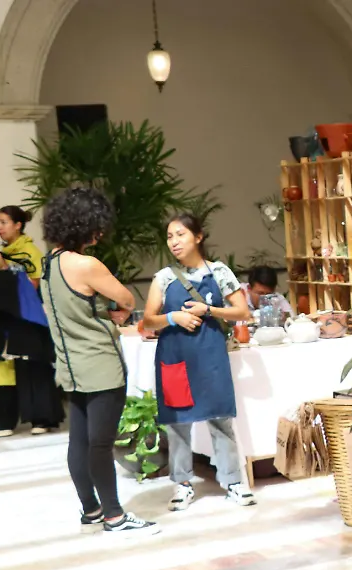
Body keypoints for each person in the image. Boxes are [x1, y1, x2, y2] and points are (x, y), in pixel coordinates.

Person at [39, 187, 159, 535]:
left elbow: (73, 312)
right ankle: (115, 516)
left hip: (70, 365)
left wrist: (103, 313)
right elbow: (125, 298)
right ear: (85, 224)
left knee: (79, 441)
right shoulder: (86, 264)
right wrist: (117, 312)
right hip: (101, 365)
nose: (100, 234)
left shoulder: (49, 264)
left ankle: (91, 510)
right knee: (101, 444)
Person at [141, 214, 257, 510]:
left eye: (180, 234)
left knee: (220, 418)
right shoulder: (164, 277)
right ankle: (182, 484)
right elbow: (148, 320)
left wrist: (209, 310)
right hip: (175, 356)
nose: (174, 242)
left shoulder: (219, 272)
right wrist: (174, 317)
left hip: (210, 355)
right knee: (178, 423)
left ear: (198, 237)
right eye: (170, 236)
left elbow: (242, 312)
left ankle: (233, 481)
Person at [0, 205, 65, 439]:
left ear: (18, 225)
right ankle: (0, 421)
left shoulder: (30, 251)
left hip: (28, 317)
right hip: (5, 316)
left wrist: (5, 269)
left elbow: (33, 287)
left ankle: (42, 418)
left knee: (33, 366)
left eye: (4, 222)